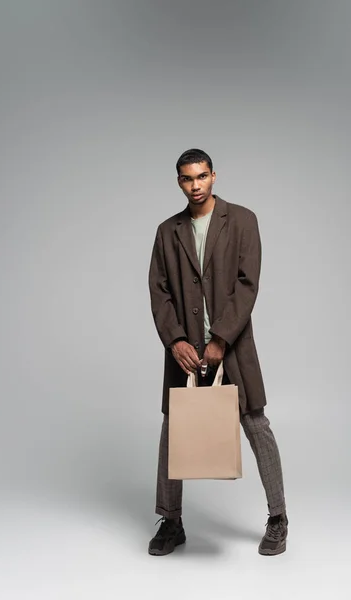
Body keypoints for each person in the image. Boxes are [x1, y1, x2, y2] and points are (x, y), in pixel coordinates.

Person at [147, 148, 288, 556]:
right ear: (179, 182)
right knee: (173, 430)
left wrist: (221, 338)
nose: (196, 185)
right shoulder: (167, 231)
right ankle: (171, 522)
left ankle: (278, 518)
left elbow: (248, 284)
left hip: (233, 346)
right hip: (185, 350)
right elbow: (159, 291)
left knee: (256, 424)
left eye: (202, 176)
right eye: (188, 178)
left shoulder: (242, 220)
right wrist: (175, 340)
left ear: (214, 176)